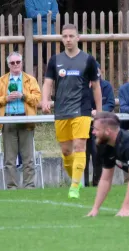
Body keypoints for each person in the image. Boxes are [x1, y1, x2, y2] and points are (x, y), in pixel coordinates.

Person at [41, 24, 102, 199]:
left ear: (78, 38)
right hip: (61, 110)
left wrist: (99, 110)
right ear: (62, 38)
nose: (68, 39)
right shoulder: (55, 60)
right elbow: (47, 82)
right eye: (65, 36)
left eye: (71, 36)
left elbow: (96, 86)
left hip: (82, 109)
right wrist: (45, 100)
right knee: (67, 151)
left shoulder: (88, 60)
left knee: (79, 146)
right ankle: (75, 179)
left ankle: (75, 187)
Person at [0, 52, 41, 190]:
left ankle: (29, 186)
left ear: (22, 63)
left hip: (26, 119)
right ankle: (12, 187)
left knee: (28, 157)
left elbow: (37, 98)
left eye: (18, 62)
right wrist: (6, 99)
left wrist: (23, 96)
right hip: (8, 119)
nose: (15, 65)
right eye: (12, 63)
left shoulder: (30, 80)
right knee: (9, 159)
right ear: (8, 65)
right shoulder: (1, 81)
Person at [84, 64, 115, 187]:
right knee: (83, 155)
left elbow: (111, 104)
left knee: (98, 154)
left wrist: (99, 111)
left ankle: (97, 182)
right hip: (84, 123)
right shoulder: (84, 85)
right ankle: (84, 183)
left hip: (100, 125)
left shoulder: (106, 86)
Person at [25, 0, 59, 66]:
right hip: (34, 36)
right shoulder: (29, 0)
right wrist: (47, 13)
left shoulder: (52, 0)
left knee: (50, 64)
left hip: (51, 36)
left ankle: (48, 77)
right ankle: (33, 77)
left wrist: (38, 15)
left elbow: (55, 16)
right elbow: (31, 14)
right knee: (34, 65)